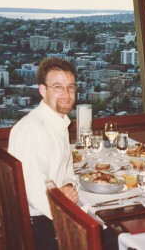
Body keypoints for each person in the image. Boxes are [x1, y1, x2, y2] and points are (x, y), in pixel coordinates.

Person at [8, 58, 117, 250]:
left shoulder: (58, 123)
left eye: (71, 87)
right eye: (58, 87)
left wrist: (68, 184)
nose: (66, 94)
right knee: (118, 239)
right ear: (43, 90)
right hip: (40, 224)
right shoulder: (32, 129)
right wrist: (75, 218)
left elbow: (67, 168)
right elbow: (34, 193)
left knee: (115, 231)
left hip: (50, 212)